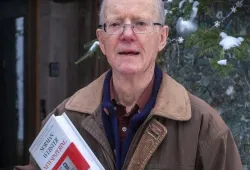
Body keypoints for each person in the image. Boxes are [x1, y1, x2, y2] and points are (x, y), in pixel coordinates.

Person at [15, 0, 242, 169]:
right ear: (102, 41)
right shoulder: (66, 118)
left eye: (140, 23)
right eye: (114, 24)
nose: (127, 34)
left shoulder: (205, 128)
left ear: (162, 37)